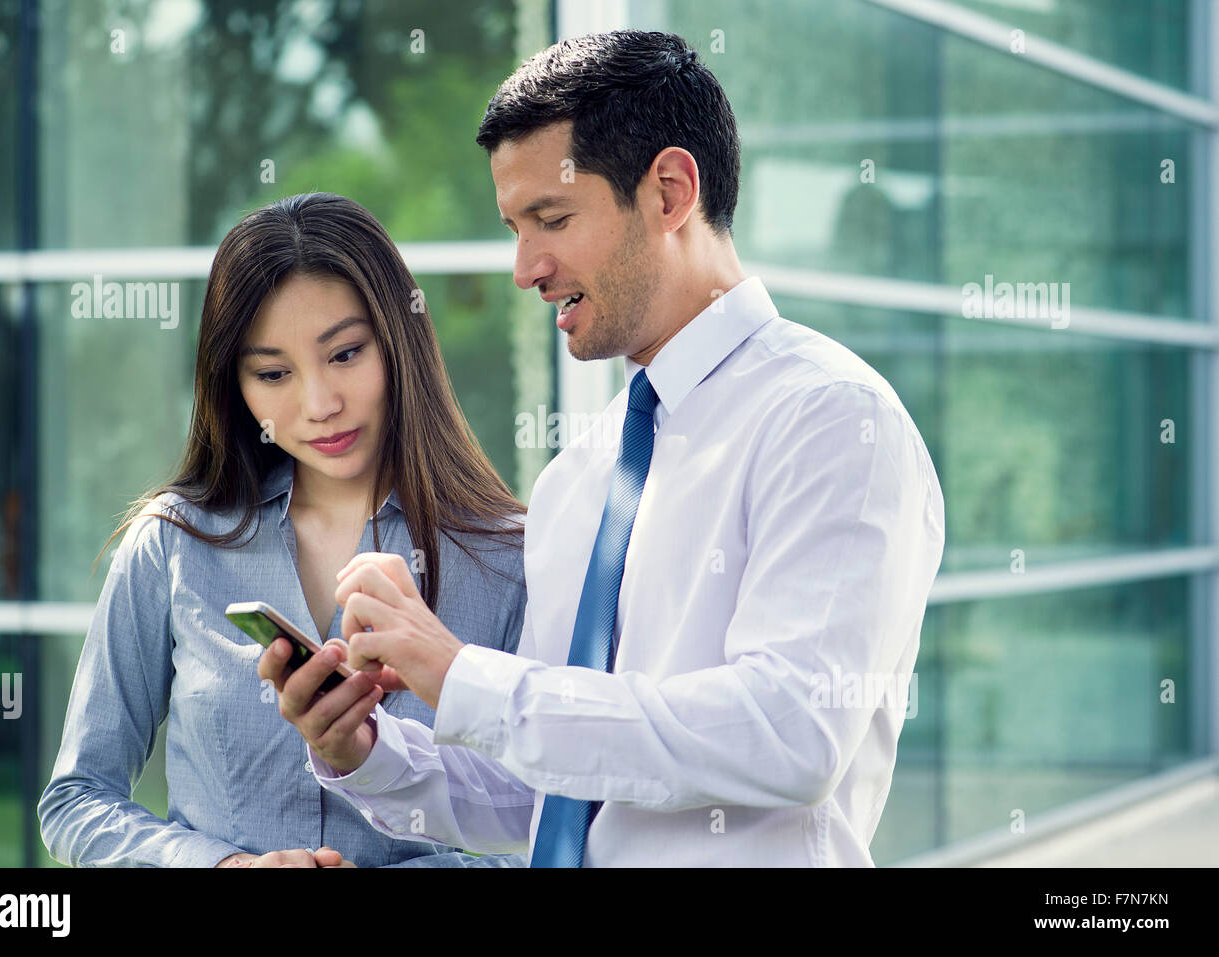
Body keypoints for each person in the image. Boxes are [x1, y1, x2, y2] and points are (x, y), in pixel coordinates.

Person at [261, 31, 945, 867]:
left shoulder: (831, 419)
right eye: (515, 227)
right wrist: (365, 753)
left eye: (551, 218)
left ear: (668, 191)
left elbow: (793, 731)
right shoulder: (577, 475)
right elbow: (552, 793)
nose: (525, 268)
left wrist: (464, 675)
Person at [39, 193, 528, 868]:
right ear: (233, 385)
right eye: (273, 373)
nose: (320, 404)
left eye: (346, 353)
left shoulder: (509, 558)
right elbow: (76, 797)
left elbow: (547, 824)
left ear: (400, 341)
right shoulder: (174, 545)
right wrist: (220, 867)